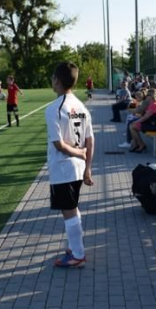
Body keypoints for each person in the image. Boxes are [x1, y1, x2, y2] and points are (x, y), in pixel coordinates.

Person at [46, 62, 94, 268]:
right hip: (78, 168)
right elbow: (90, 140)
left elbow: (59, 145)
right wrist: (88, 166)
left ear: (56, 80)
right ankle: (76, 247)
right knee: (73, 208)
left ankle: (78, 255)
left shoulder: (53, 108)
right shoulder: (82, 107)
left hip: (63, 168)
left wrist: (79, 153)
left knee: (68, 211)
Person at [128, 89, 156, 153]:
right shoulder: (152, 103)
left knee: (132, 126)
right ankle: (137, 143)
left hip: (155, 125)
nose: (147, 97)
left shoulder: (154, 105)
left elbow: (145, 117)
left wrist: (136, 121)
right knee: (131, 125)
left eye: (148, 95)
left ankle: (140, 144)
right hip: (151, 123)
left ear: (152, 96)